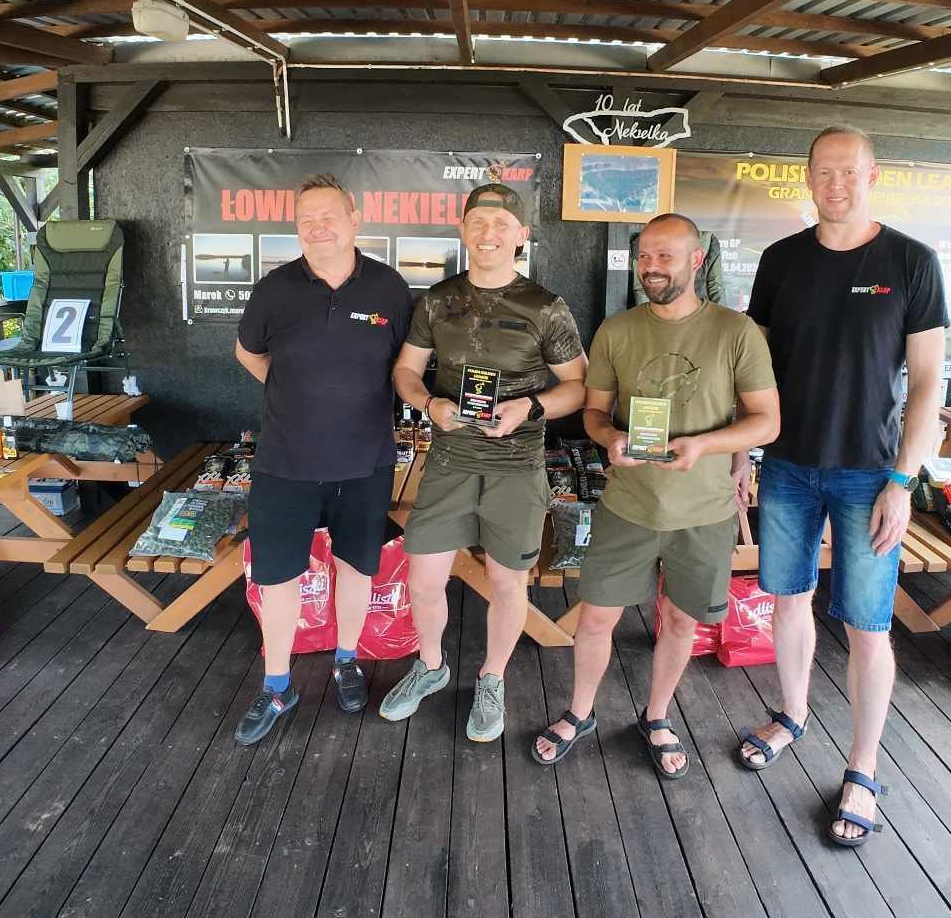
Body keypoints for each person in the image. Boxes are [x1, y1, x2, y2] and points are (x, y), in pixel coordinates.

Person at [736, 125, 948, 847]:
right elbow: (755, 369)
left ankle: (863, 766)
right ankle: (792, 714)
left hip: (870, 473)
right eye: (823, 170)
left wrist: (903, 481)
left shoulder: (911, 261)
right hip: (786, 464)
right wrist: (741, 451)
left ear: (872, 175)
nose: (835, 183)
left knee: (866, 623)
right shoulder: (780, 260)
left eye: (848, 171)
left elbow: (928, 382)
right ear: (807, 176)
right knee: (788, 598)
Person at [531, 213, 778, 778]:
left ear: (697, 260)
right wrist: (610, 438)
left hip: (704, 512)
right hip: (628, 505)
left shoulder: (736, 332)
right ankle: (580, 712)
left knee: (681, 622)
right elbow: (594, 412)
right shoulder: (616, 330)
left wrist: (704, 445)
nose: (652, 267)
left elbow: (767, 421)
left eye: (666, 255)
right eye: (644, 255)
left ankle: (657, 715)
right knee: (597, 617)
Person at [382, 183, 586, 742]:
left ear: (522, 235)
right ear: (462, 230)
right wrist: (429, 404)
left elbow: (579, 385)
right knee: (424, 578)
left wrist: (530, 406)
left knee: (507, 583)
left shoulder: (545, 306)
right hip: (450, 460)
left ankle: (492, 676)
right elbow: (405, 371)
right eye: (478, 222)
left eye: (501, 224)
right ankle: (430, 665)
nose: (488, 233)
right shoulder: (437, 300)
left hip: (517, 467)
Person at [231, 174, 414, 745]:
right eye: (306, 219)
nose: (318, 227)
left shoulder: (389, 287)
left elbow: (406, 363)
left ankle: (346, 660)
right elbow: (248, 352)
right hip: (285, 460)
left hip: (365, 459)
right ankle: (277, 685)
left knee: (357, 568)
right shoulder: (275, 289)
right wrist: (292, 394)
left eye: (329, 216)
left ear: (355, 219)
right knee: (278, 576)